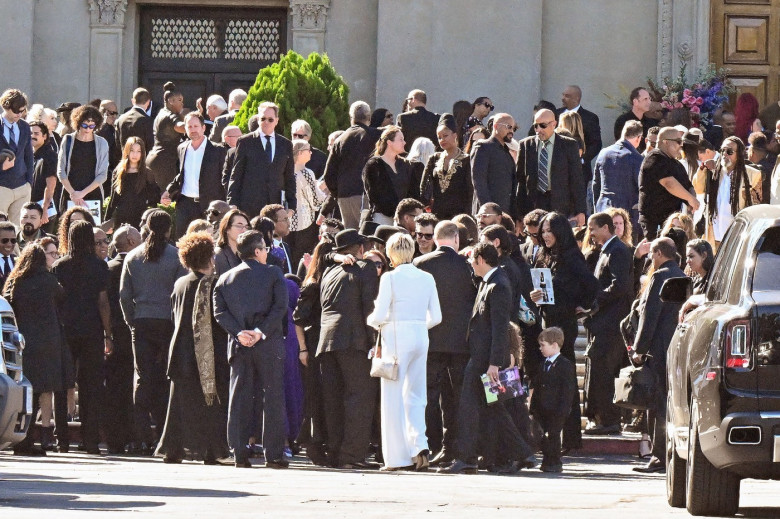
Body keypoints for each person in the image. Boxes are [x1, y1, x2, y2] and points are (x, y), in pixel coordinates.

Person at [439, 243, 536, 474]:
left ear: (482, 259)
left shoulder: (499, 285)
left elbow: (500, 328)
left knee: (469, 406)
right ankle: (524, 453)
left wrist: (494, 363)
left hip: (487, 360)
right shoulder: (489, 281)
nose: (471, 265)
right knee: (494, 408)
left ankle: (466, 458)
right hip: (482, 356)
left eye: (473, 260)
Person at [214, 230, 289, 468]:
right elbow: (280, 308)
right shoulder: (273, 273)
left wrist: (239, 332)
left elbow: (219, 313)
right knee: (272, 396)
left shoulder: (225, 278)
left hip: (239, 344)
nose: (266, 253)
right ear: (257, 251)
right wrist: (260, 332)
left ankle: (238, 452)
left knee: (239, 398)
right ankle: (274, 454)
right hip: (268, 343)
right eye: (265, 249)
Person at [367, 233, 441, 471]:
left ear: (390, 254)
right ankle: (419, 445)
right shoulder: (427, 277)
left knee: (392, 398)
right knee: (417, 396)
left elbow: (378, 316)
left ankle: (398, 458)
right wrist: (417, 324)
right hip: (421, 335)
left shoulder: (389, 277)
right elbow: (436, 317)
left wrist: (374, 321)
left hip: (396, 337)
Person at [156, 231, 230, 464]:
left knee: (179, 405)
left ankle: (174, 449)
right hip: (206, 352)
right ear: (209, 257)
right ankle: (210, 450)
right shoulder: (212, 283)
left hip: (179, 351)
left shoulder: (180, 283)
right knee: (209, 404)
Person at [530, 212, 599, 452]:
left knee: (564, 381)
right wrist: (535, 297)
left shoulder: (571, 256)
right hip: (546, 320)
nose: (546, 235)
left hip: (563, 326)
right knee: (546, 380)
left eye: (550, 230)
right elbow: (538, 287)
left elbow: (591, 286)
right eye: (543, 231)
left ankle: (570, 439)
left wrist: (582, 306)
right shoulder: (542, 255)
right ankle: (546, 437)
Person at [119, 209, 187, 453]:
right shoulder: (177, 257)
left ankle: (140, 435)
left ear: (146, 227)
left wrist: (131, 322)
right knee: (168, 378)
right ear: (169, 229)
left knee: (144, 378)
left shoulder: (133, 257)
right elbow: (180, 295)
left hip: (142, 321)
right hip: (168, 323)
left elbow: (124, 295)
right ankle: (165, 434)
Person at [413, 221, 476, 465]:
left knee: (428, 398)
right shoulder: (468, 265)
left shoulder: (421, 264)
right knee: (457, 398)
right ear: (457, 239)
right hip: (461, 343)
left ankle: (431, 446)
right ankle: (455, 448)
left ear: (436, 239)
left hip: (430, 340)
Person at [316, 229, 379, 468]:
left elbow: (325, 257)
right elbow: (369, 307)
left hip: (327, 341)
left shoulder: (329, 271)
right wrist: (374, 342)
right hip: (353, 341)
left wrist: (335, 257)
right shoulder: (366, 268)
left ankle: (335, 453)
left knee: (333, 399)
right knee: (359, 398)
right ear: (360, 249)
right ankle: (352, 456)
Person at [52, 220, 112, 455]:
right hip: (92, 330)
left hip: (66, 329)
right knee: (91, 386)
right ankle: (91, 441)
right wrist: (109, 334)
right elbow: (103, 303)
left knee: (62, 384)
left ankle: (62, 440)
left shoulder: (59, 265)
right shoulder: (99, 267)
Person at [5, 243, 71, 456]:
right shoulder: (50, 282)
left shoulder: (16, 282)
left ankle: (22, 439)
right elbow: (62, 299)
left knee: (25, 388)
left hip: (22, 341)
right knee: (42, 388)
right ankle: (35, 439)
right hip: (48, 341)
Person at [631, 237, 686, 473]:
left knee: (658, 403)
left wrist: (639, 348)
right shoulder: (682, 275)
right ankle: (668, 453)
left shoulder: (659, 276)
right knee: (670, 401)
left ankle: (658, 455)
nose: (651, 259)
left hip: (657, 349)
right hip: (675, 345)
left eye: (652, 254)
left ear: (659, 254)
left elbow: (649, 315)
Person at [581, 212, 633, 435]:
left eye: (593, 228)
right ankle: (601, 417)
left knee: (605, 371)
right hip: (602, 321)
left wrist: (595, 301)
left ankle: (609, 420)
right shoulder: (606, 250)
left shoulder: (618, 250)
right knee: (599, 370)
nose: (590, 234)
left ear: (605, 227)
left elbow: (620, 285)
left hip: (611, 324)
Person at [293, 239, 335, 465]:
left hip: (321, 342)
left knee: (322, 394)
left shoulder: (322, 282)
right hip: (313, 341)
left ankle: (317, 439)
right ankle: (312, 441)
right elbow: (298, 319)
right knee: (314, 395)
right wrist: (302, 348)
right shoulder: (312, 285)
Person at [104, 225, 142, 454]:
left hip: (112, 335)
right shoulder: (137, 266)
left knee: (115, 388)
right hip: (133, 333)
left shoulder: (107, 268)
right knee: (131, 387)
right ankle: (133, 436)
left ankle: (115, 439)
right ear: (130, 241)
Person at [162, 112, 226, 238]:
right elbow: (181, 174)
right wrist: (168, 191)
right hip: (185, 204)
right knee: (182, 240)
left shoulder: (218, 150)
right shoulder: (182, 148)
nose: (193, 130)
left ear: (203, 128)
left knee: (210, 241)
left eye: (196, 126)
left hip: (209, 205)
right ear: (185, 129)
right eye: (189, 127)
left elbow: (224, 179)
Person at [227, 101, 296, 219]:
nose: (266, 122)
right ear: (258, 119)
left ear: (276, 121)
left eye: (270, 119)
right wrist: (232, 203)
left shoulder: (285, 144)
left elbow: (289, 177)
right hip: (250, 204)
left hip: (275, 206)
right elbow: (236, 174)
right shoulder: (245, 142)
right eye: (263, 118)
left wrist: (292, 207)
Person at [517, 109, 586, 226]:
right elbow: (520, 181)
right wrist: (519, 214)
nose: (539, 130)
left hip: (561, 205)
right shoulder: (526, 145)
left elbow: (577, 180)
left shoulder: (569, 145)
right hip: (534, 204)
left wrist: (581, 211)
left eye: (542, 126)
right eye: (536, 126)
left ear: (553, 124)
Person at [692, 136, 761, 248]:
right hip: (714, 234)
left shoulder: (753, 175)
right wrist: (703, 168)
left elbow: (756, 207)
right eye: (722, 150)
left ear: (739, 154)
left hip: (737, 236)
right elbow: (698, 188)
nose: (724, 154)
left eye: (729, 151)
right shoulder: (713, 171)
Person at [323, 101, 381, 229]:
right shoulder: (375, 135)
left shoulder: (339, 140)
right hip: (365, 194)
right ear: (369, 118)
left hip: (344, 195)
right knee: (366, 235)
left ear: (351, 118)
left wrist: (339, 192)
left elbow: (329, 174)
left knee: (351, 236)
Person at [529, 327, 577, 473]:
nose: (540, 348)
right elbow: (537, 386)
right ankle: (547, 459)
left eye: (543, 345)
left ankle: (555, 462)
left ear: (554, 345)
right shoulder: (543, 364)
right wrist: (533, 406)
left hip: (557, 408)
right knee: (541, 434)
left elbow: (568, 390)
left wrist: (564, 409)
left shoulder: (565, 365)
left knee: (554, 435)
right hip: (542, 408)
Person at [638, 127, 700, 240]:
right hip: (653, 222)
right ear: (666, 142)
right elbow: (668, 183)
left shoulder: (676, 164)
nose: (681, 145)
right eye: (678, 141)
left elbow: (688, 185)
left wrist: (692, 200)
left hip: (672, 222)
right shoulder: (654, 158)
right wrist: (690, 198)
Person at [57, 104, 109, 215]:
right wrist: (73, 193)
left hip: (92, 194)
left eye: (92, 126)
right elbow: (61, 171)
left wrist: (82, 194)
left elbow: (103, 175)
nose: (88, 129)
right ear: (78, 123)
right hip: (70, 193)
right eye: (85, 125)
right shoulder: (68, 140)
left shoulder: (102, 143)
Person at [593, 120, 644, 229]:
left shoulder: (604, 153)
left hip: (604, 208)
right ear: (638, 138)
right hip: (627, 213)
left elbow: (596, 184)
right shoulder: (637, 158)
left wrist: (596, 208)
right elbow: (642, 187)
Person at [420, 115, 473, 220]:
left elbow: (470, 191)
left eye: (445, 136)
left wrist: (467, 216)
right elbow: (424, 186)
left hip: (459, 216)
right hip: (437, 214)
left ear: (455, 135)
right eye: (439, 137)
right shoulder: (434, 158)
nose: (442, 140)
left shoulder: (467, 160)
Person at [105, 136, 159, 230]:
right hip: (121, 217)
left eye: (139, 151)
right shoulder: (118, 171)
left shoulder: (147, 173)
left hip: (140, 219)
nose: (135, 154)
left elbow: (154, 198)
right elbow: (113, 199)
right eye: (132, 150)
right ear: (127, 151)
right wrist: (107, 221)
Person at [363, 125, 412, 225]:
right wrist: (394, 213)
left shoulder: (405, 165)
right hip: (383, 217)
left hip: (403, 219)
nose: (404, 142)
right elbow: (374, 195)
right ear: (389, 142)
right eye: (401, 139)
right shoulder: (374, 165)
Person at [470, 113, 517, 216]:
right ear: (496, 126)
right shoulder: (483, 147)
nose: (511, 131)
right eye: (509, 127)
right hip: (486, 215)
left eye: (513, 128)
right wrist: (488, 210)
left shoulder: (507, 153)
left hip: (504, 214)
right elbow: (479, 181)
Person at [288, 139, 326, 267]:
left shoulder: (285, 171)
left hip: (287, 221)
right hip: (304, 221)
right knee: (303, 258)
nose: (311, 152)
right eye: (308, 150)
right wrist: (325, 191)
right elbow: (315, 201)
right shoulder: (306, 173)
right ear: (299, 153)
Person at [0, 89, 34, 225]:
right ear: (6, 107)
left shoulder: (25, 126)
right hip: (2, 186)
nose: (19, 114)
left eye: (23, 111)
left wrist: (29, 183)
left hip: (22, 186)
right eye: (16, 111)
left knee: (16, 231)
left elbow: (29, 156)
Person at [145, 82, 185, 190]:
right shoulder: (169, 115)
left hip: (155, 159)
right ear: (171, 101)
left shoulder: (162, 112)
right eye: (180, 100)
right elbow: (180, 127)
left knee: (155, 197)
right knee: (167, 196)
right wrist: (196, 124)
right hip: (164, 163)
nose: (182, 104)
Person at [28, 120, 58, 228]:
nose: (32, 136)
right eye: (30, 133)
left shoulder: (49, 156)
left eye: (36, 134)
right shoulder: (30, 155)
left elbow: (51, 185)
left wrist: (45, 210)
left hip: (44, 211)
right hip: (32, 208)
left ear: (44, 136)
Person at [115, 87, 154, 152]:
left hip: (125, 159)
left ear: (133, 101)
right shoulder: (148, 121)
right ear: (148, 102)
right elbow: (150, 145)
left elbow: (118, 144)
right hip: (142, 160)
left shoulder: (120, 119)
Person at [215, 209, 250, 276]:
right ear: (227, 228)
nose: (244, 230)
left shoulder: (246, 254)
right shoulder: (219, 255)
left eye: (246, 226)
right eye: (239, 226)